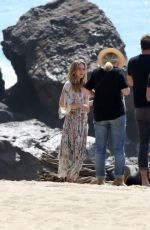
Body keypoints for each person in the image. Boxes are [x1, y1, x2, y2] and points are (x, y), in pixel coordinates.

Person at [85, 48, 130, 186]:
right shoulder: (118, 72)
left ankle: (100, 179)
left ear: (103, 61)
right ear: (117, 62)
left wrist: (97, 95)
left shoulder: (96, 72)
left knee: (100, 149)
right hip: (117, 114)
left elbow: (85, 90)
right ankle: (119, 179)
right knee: (118, 148)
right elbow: (126, 92)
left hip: (100, 115)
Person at [58, 59, 91, 182]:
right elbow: (61, 105)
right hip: (71, 122)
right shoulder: (68, 85)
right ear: (74, 70)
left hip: (82, 123)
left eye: (83, 69)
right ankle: (67, 178)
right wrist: (77, 106)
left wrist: (89, 105)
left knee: (79, 151)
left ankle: (72, 178)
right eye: (79, 69)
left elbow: (86, 103)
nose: (82, 71)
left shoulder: (85, 86)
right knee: (68, 149)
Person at [127, 34, 150, 186]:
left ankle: (144, 180)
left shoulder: (133, 61)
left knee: (143, 142)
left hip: (140, 107)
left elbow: (129, 82)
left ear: (141, 46)